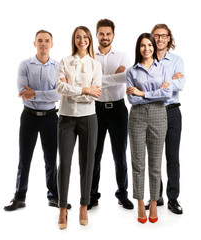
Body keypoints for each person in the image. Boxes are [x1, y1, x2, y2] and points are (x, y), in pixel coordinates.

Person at [4, 30, 68, 211]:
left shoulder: (58, 66)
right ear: (34, 43)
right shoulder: (24, 65)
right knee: (24, 158)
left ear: (52, 44)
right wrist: (44, 95)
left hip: (50, 118)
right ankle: (19, 197)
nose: (43, 44)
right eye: (40, 41)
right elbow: (23, 94)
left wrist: (36, 93)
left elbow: (59, 93)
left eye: (47, 41)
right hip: (29, 117)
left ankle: (54, 196)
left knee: (51, 159)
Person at [57, 26, 102, 229]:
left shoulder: (95, 64)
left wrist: (72, 89)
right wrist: (85, 89)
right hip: (66, 117)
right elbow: (59, 88)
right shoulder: (65, 61)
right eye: (78, 37)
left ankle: (84, 205)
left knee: (87, 164)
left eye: (85, 37)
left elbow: (97, 93)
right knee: (64, 163)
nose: (81, 40)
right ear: (74, 40)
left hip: (88, 118)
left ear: (90, 39)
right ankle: (62, 209)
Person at [126, 33, 172, 223]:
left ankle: (154, 202)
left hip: (159, 115)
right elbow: (131, 99)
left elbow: (167, 93)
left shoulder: (163, 67)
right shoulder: (131, 71)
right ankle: (139, 202)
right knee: (138, 164)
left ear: (154, 47)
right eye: (143, 46)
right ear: (138, 48)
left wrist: (142, 92)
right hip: (137, 116)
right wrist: (155, 92)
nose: (147, 49)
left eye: (149, 45)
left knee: (155, 164)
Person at [88, 19, 133, 210]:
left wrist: (99, 80)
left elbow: (126, 77)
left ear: (113, 35)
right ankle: (92, 195)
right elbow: (88, 81)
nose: (105, 37)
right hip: (95, 110)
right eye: (101, 34)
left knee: (120, 154)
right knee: (94, 155)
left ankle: (122, 194)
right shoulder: (90, 57)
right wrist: (113, 78)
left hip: (118, 109)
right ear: (96, 35)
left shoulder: (122, 55)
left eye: (108, 34)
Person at [145, 24, 185, 214]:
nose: (160, 39)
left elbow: (180, 84)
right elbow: (142, 84)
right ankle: (156, 196)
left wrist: (157, 84)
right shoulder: (146, 58)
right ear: (152, 38)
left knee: (172, 158)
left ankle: (173, 198)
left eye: (164, 36)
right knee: (154, 158)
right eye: (156, 36)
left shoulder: (177, 60)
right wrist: (169, 81)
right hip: (153, 111)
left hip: (172, 113)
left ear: (169, 38)